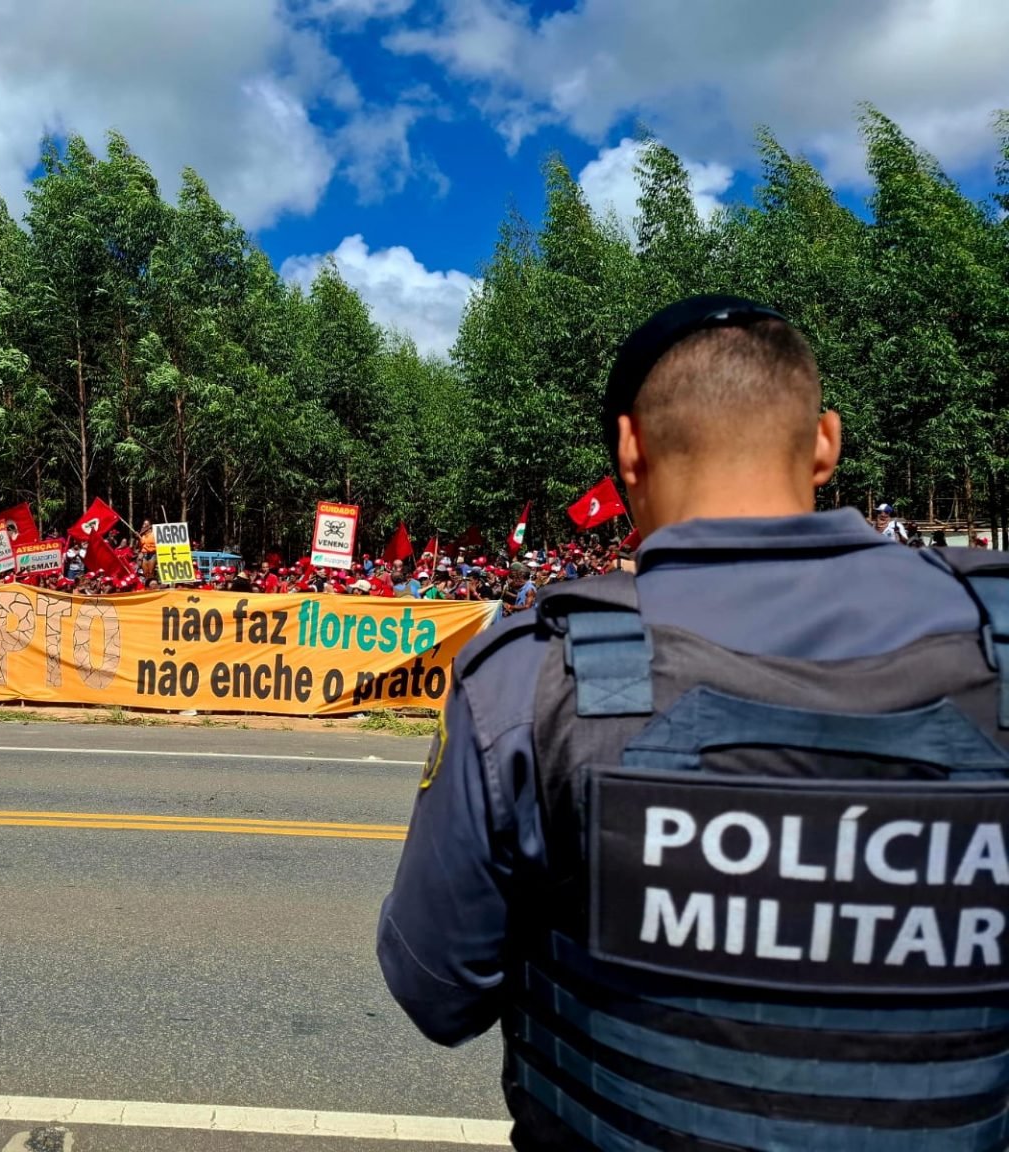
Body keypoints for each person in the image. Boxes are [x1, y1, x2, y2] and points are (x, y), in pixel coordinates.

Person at [379, 294, 1009, 1152]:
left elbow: (438, 992)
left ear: (629, 450)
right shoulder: (995, 640)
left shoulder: (532, 680)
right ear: (826, 442)